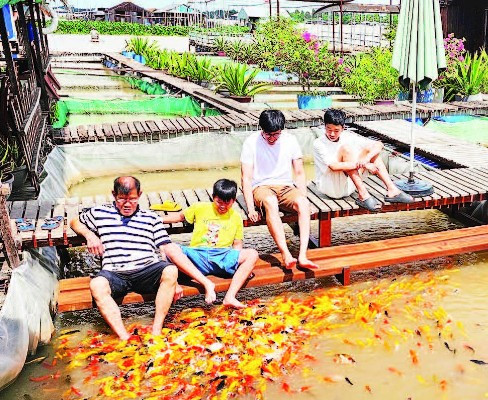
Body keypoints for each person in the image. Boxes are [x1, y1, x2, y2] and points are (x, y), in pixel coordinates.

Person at [70, 176, 217, 340]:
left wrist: (177, 281)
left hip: (147, 270)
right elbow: (74, 222)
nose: (127, 204)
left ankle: (156, 330)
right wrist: (89, 235)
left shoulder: (151, 217)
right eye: (121, 199)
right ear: (113, 194)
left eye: (132, 199)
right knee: (96, 284)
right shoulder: (100, 212)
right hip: (115, 272)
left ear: (139, 195)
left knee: (170, 270)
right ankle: (124, 337)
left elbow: (167, 248)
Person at [162, 179, 258, 309]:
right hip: (197, 256)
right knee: (169, 248)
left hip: (222, 257)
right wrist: (156, 219)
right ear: (213, 197)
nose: (223, 206)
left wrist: (242, 267)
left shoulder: (236, 217)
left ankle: (230, 297)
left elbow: (237, 246)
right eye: (219, 201)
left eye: (227, 202)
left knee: (252, 254)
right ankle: (206, 283)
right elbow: (179, 217)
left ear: (234, 201)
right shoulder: (200, 207)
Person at [241, 110, 318, 270]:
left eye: (276, 134)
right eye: (268, 134)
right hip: (261, 187)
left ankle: (303, 254)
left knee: (303, 203)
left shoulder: (290, 140)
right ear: (261, 129)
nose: (272, 138)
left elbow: (299, 173)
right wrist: (250, 208)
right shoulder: (251, 142)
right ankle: (285, 253)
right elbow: (246, 178)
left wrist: (303, 197)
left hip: (285, 186)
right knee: (270, 201)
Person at [313, 109, 413, 212]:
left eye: (336, 130)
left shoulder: (348, 136)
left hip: (348, 187)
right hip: (332, 189)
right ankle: (363, 194)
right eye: (329, 129)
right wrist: (365, 165)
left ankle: (392, 190)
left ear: (343, 128)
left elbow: (379, 145)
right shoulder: (319, 143)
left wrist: (366, 159)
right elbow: (334, 167)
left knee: (371, 152)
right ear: (324, 126)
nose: (332, 134)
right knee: (346, 150)